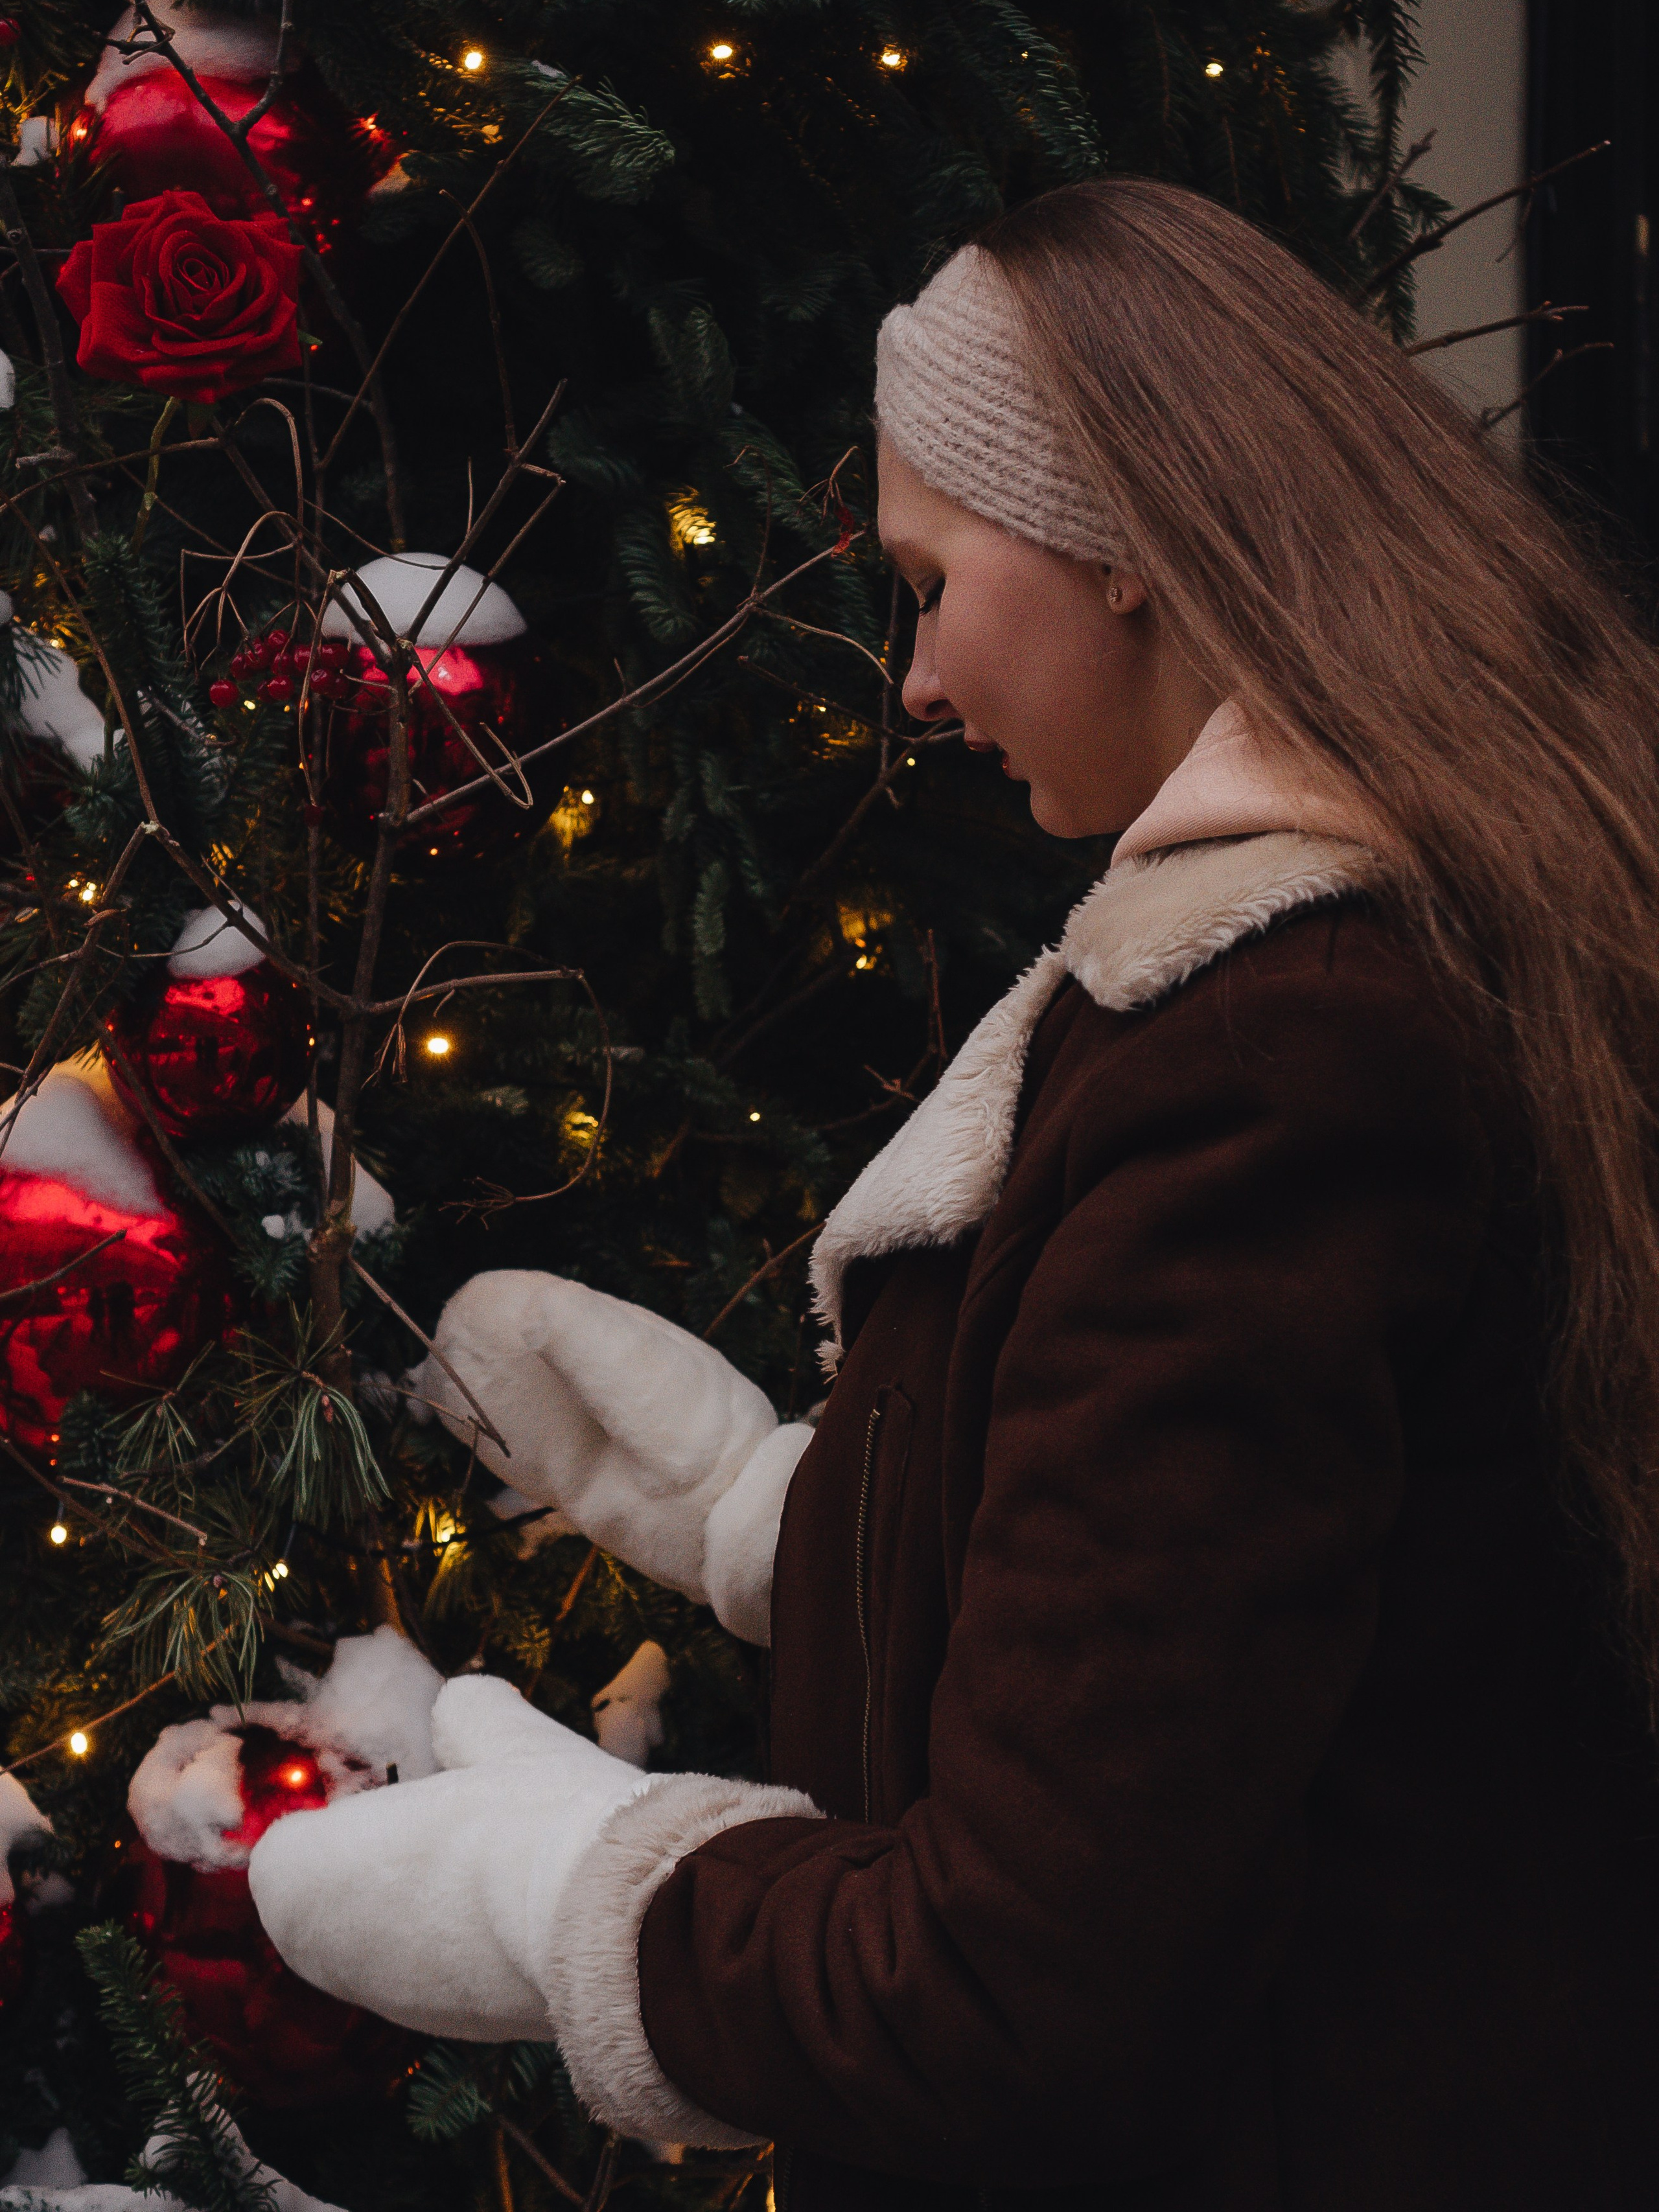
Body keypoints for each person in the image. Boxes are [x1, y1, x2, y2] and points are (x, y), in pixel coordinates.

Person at [249, 179, 1659, 2210]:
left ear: (1130, 548)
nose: (910, 679)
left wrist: (563, 1895)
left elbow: (1015, 1984)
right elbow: (1264, 1611)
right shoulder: (1368, 961)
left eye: (926, 578)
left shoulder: (1282, 1058)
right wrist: (779, 1513)